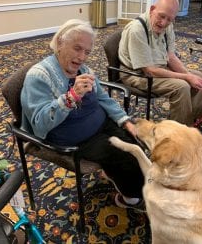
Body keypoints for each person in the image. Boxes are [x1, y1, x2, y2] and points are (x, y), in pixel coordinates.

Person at [20, 19, 144, 209]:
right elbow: (39, 124)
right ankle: (132, 198)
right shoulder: (39, 77)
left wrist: (126, 122)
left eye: (87, 52)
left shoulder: (83, 70)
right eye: (77, 48)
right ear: (60, 42)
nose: (82, 57)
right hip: (76, 138)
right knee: (122, 155)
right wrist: (71, 96)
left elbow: (104, 99)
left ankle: (124, 179)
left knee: (135, 140)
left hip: (100, 123)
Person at [118, 0, 202, 126]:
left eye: (169, 19)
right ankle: (179, 132)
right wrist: (186, 78)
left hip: (158, 67)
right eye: (161, 16)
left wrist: (189, 75)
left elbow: (170, 57)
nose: (164, 23)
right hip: (136, 74)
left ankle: (197, 121)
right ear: (152, 9)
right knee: (182, 86)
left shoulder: (168, 26)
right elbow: (150, 71)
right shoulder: (137, 30)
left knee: (198, 77)